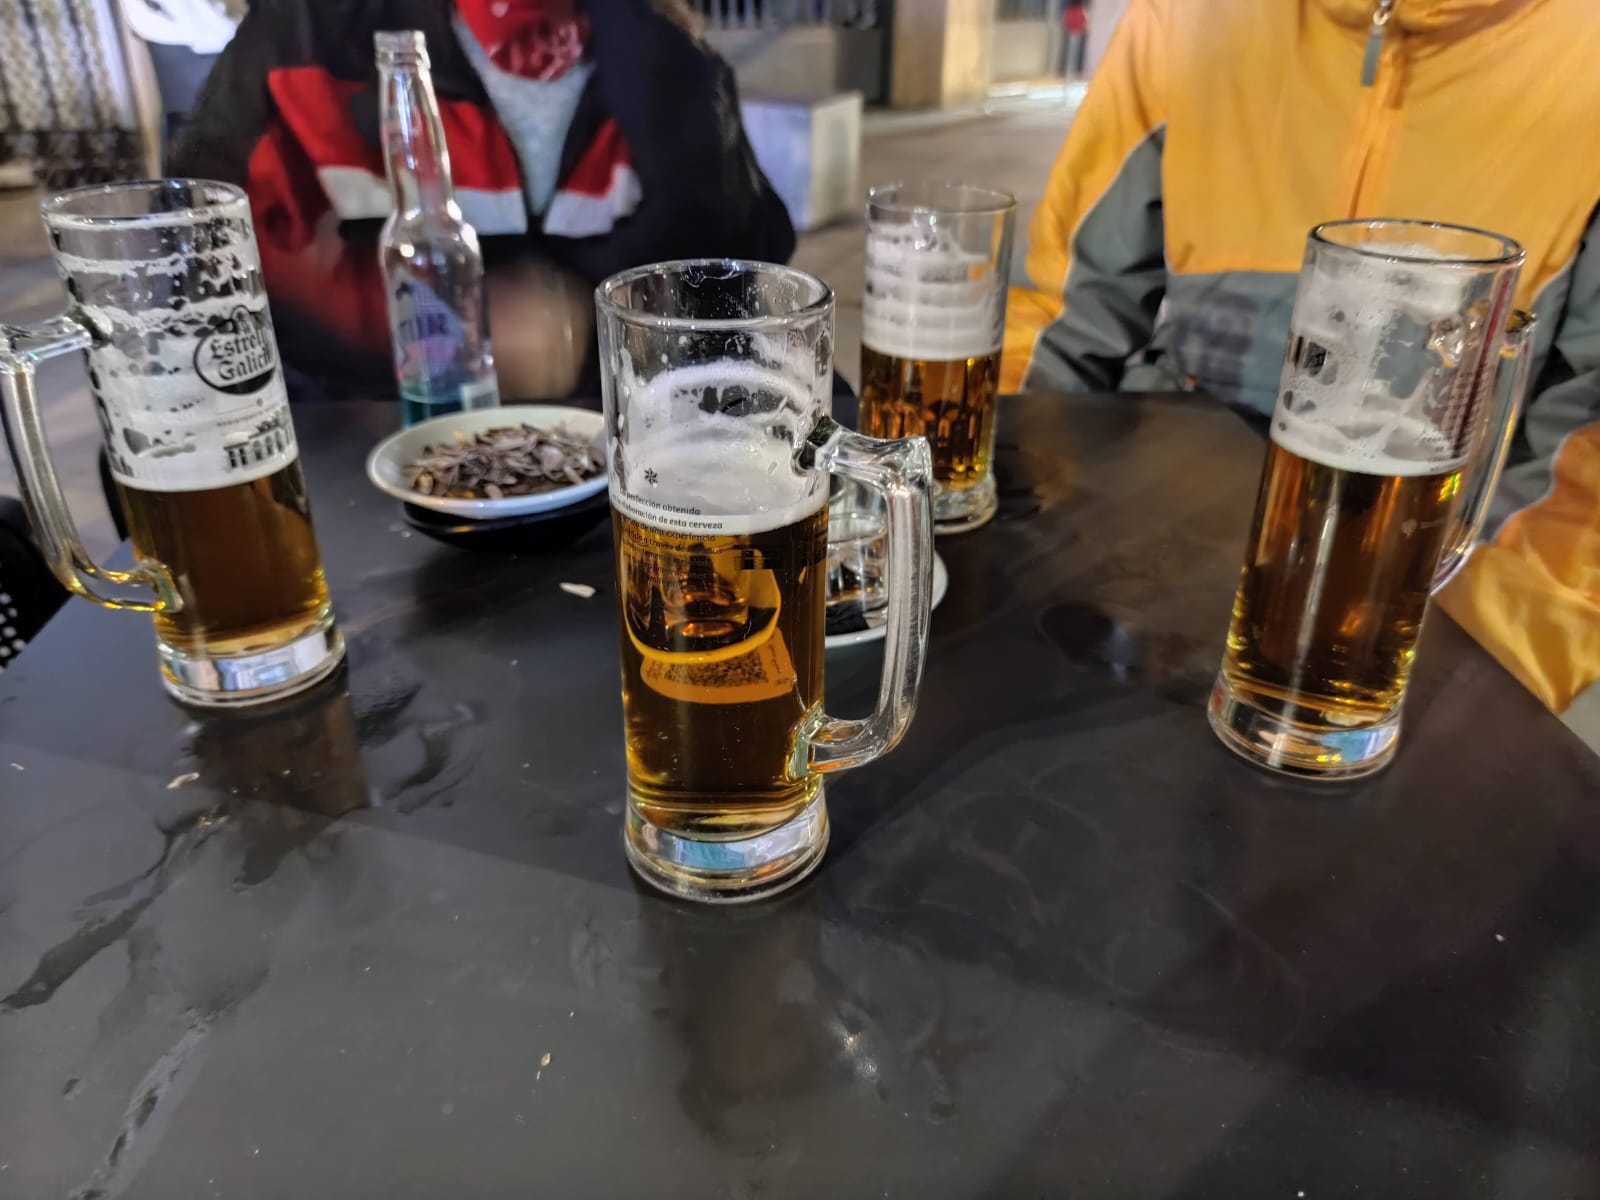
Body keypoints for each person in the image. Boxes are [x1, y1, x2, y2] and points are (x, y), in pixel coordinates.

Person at [1004, 0, 1600, 733]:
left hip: (1413, 592)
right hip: (1138, 554)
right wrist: (1006, 525)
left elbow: (1584, 477)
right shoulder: (1182, 17)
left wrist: (1451, 671)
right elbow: (1059, 308)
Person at [171, 0, 795, 404]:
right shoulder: (308, 35)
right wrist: (455, 338)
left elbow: (744, 278)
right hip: (369, 443)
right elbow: (195, 259)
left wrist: (678, 78)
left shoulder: (660, 51)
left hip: (614, 449)